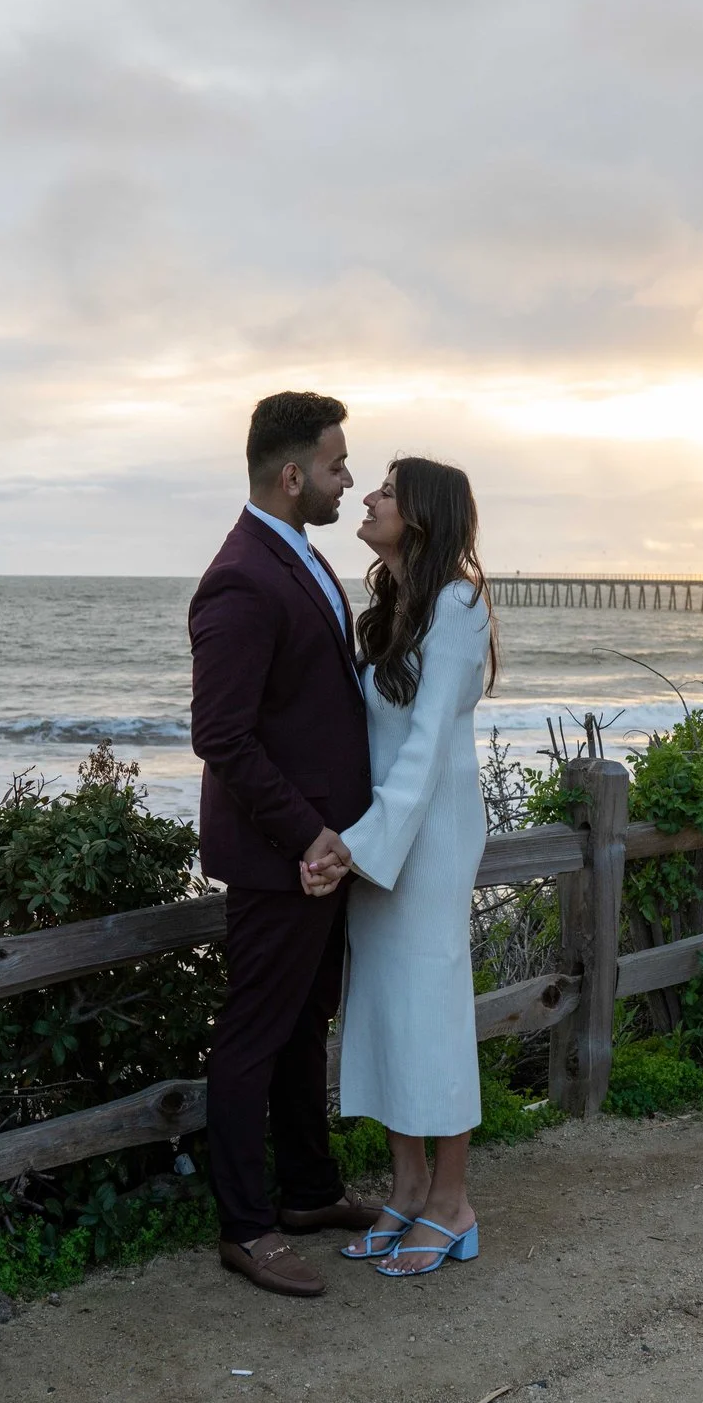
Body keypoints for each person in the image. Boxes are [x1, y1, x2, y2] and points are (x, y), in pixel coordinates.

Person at [188, 391, 386, 1298]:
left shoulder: (297, 557)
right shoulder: (239, 578)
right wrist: (309, 833)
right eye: (339, 465)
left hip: (322, 853)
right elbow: (222, 736)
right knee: (254, 1036)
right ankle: (247, 1225)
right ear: (294, 472)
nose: (350, 478)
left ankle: (308, 1191)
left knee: (308, 1027)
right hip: (281, 858)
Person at [300, 456, 497, 1277]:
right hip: (380, 833)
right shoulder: (392, 611)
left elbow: (420, 754)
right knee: (383, 1006)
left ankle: (454, 1203)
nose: (370, 496)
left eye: (387, 489)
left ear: (422, 514)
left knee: (432, 1009)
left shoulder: (457, 602)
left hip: (428, 838)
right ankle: (409, 1184)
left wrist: (357, 844)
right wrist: (345, 834)